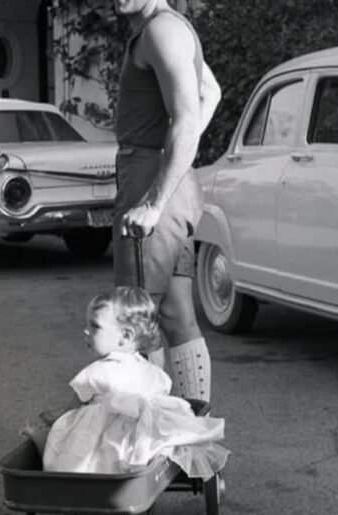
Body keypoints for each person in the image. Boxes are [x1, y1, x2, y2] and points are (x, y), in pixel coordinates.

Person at [111, 0, 222, 402]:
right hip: (163, 178)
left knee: (133, 319)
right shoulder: (161, 30)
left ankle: (146, 434)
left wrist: (155, 201)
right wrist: (178, 152)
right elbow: (210, 92)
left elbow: (187, 117)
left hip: (152, 183)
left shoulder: (162, 31)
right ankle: (191, 432)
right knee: (175, 313)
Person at [39, 288, 228, 478]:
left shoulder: (98, 372)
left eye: (95, 326)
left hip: (105, 441)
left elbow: (73, 406)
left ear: (126, 336)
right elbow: (160, 395)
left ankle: (68, 471)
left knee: (64, 434)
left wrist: (57, 420)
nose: (85, 330)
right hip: (140, 441)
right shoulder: (152, 371)